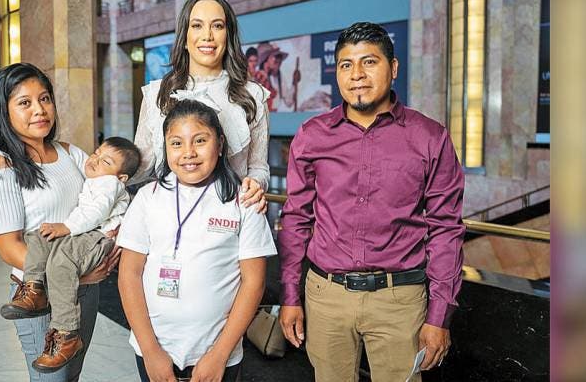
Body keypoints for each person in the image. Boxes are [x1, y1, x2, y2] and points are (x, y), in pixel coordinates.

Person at [278, 22, 465, 382]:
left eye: (369, 62)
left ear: (393, 68)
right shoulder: (312, 136)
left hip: (400, 300)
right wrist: (290, 295)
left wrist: (440, 315)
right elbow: (296, 219)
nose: (357, 75)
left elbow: (446, 229)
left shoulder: (430, 137)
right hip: (326, 295)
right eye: (346, 65)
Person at [0, 62, 119, 381]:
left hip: (86, 287)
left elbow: (109, 195)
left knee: (71, 375)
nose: (39, 110)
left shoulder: (70, 153)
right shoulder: (0, 166)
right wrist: (74, 274)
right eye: (24, 102)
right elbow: (9, 247)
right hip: (38, 293)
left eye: (44, 99)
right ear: (4, 111)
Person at [118, 99, 277, 382]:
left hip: (217, 353)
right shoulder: (148, 198)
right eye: (176, 143)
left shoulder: (243, 200)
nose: (188, 153)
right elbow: (129, 274)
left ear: (220, 144)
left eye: (200, 140)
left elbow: (254, 282)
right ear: (165, 148)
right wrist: (150, 351)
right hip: (153, 348)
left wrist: (220, 355)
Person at [0, 136, 141, 373]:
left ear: (121, 178)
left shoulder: (110, 184)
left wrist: (65, 227)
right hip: (79, 233)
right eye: (96, 153)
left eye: (106, 161)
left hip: (95, 236)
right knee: (37, 238)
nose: (95, 160)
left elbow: (96, 212)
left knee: (61, 264)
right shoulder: (97, 178)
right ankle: (34, 290)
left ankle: (67, 333)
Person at [132, 0, 269, 212]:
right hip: (169, 216)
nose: (207, 36)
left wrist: (255, 184)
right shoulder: (157, 93)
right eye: (197, 25)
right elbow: (141, 165)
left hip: (229, 216)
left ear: (228, 35)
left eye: (217, 26)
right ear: (184, 38)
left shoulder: (252, 95)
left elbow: (259, 167)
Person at [256, 41, 301, 112]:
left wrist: (294, 83)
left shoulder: (279, 78)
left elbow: (289, 102)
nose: (279, 60)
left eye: (280, 57)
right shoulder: (258, 77)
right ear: (266, 59)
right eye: (276, 57)